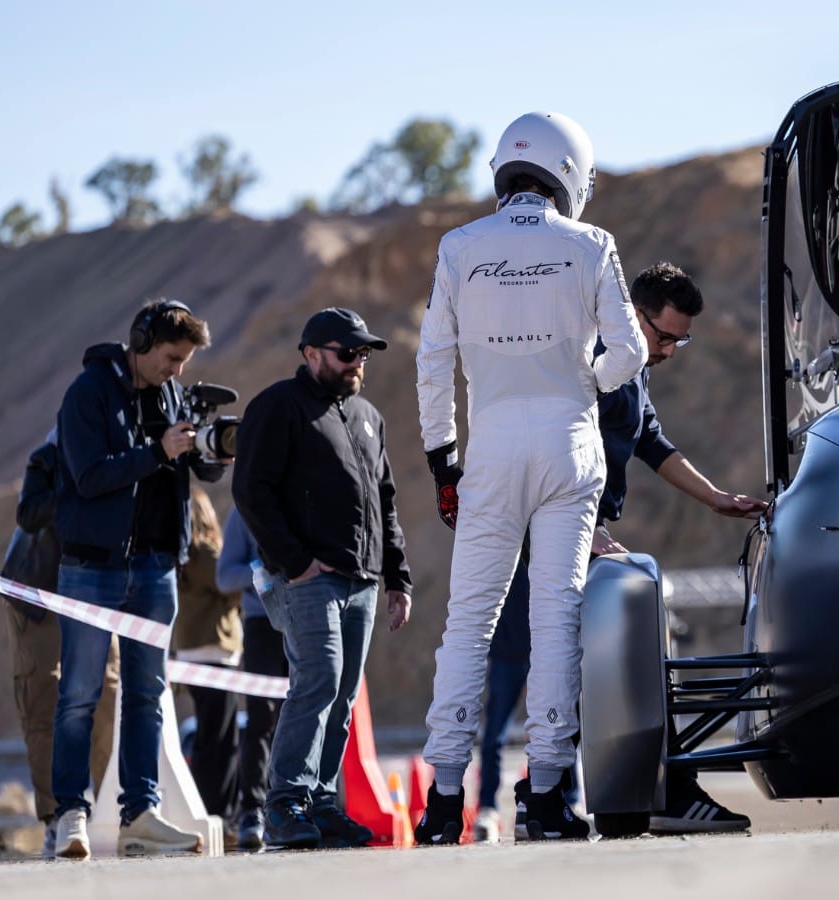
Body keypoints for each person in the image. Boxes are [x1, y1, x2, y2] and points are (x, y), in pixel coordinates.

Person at [415, 111, 646, 844]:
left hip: (488, 448)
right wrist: (587, 376)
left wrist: (440, 457)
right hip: (568, 442)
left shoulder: (460, 247)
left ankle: (444, 800)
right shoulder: (592, 244)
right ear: (570, 173)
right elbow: (631, 351)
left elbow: (431, 362)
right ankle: (544, 796)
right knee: (555, 624)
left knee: (467, 626)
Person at [470, 263, 763, 842]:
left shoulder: (632, 367)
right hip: (552, 530)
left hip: (577, 529)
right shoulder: (586, 358)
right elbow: (539, 448)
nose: (673, 350)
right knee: (599, 659)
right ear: (633, 315)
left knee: (589, 668)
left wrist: (715, 499)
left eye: (682, 339)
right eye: (666, 336)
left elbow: (651, 439)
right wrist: (580, 527)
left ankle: (563, 798)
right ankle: (639, 793)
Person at [232, 307, 414, 850]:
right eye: (346, 352)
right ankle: (285, 804)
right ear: (311, 355)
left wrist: (397, 577)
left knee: (343, 694)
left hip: (360, 578)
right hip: (308, 579)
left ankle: (321, 804)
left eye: (363, 354)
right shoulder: (276, 408)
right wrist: (296, 562)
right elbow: (250, 491)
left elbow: (385, 499)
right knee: (319, 679)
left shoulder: (367, 415)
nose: (358, 362)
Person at [50, 298, 225, 859]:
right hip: (92, 569)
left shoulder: (172, 391)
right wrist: (157, 451)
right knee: (78, 695)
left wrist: (207, 448)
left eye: (185, 360)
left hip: (155, 567)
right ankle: (70, 816)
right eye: (173, 357)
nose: (179, 369)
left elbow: (189, 468)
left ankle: (139, 816)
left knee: (148, 695)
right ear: (142, 342)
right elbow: (89, 475)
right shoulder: (88, 393)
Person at [0, 432, 118, 858]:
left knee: (108, 698)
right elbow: (28, 515)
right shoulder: (49, 456)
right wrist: (76, 488)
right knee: (44, 700)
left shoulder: (129, 445)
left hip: (98, 592)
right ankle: (55, 819)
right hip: (37, 590)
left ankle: (111, 814)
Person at [214, 506, 285, 851]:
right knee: (261, 716)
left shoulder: (304, 494)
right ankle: (252, 810)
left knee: (301, 715)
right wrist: (263, 568)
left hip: (307, 618)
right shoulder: (242, 512)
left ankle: (297, 803)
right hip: (261, 624)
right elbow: (225, 576)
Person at [171, 486, 241, 834]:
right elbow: (230, 582)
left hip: (189, 654)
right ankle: (219, 814)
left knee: (207, 737)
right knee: (222, 741)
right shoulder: (203, 552)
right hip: (215, 653)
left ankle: (206, 810)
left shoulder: (180, 557)